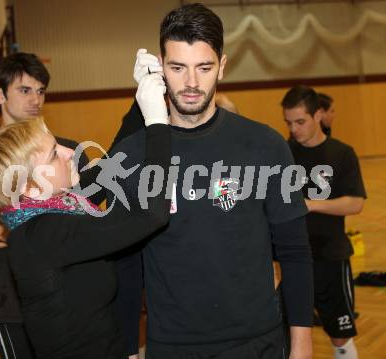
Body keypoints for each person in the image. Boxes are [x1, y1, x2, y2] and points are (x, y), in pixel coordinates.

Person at [110, 4, 314, 359]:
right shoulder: (132, 156)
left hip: (257, 343)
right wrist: (127, 349)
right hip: (173, 346)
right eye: (178, 68)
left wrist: (301, 344)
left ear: (222, 65)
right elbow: (126, 267)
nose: (191, 83)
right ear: (160, 66)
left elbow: (295, 251)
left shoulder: (264, 145)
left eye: (204, 68)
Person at [0, 74, 171, 358]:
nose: (69, 153)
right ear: (30, 185)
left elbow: (109, 166)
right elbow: (152, 214)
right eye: (54, 154)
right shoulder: (45, 235)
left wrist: (142, 96)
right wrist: (157, 125)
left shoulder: (58, 209)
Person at [0, 52, 93, 358]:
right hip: (13, 300)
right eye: (25, 90)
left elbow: (85, 222)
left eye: (41, 91)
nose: (36, 100)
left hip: (72, 293)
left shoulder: (68, 150)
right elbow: (2, 230)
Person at [282, 86, 366, 359]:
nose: (294, 129)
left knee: (339, 333)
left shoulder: (342, 153)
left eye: (300, 122)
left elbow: (355, 202)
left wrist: (311, 204)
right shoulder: (282, 153)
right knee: (291, 333)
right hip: (291, 259)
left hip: (330, 256)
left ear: (318, 115)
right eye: (289, 122)